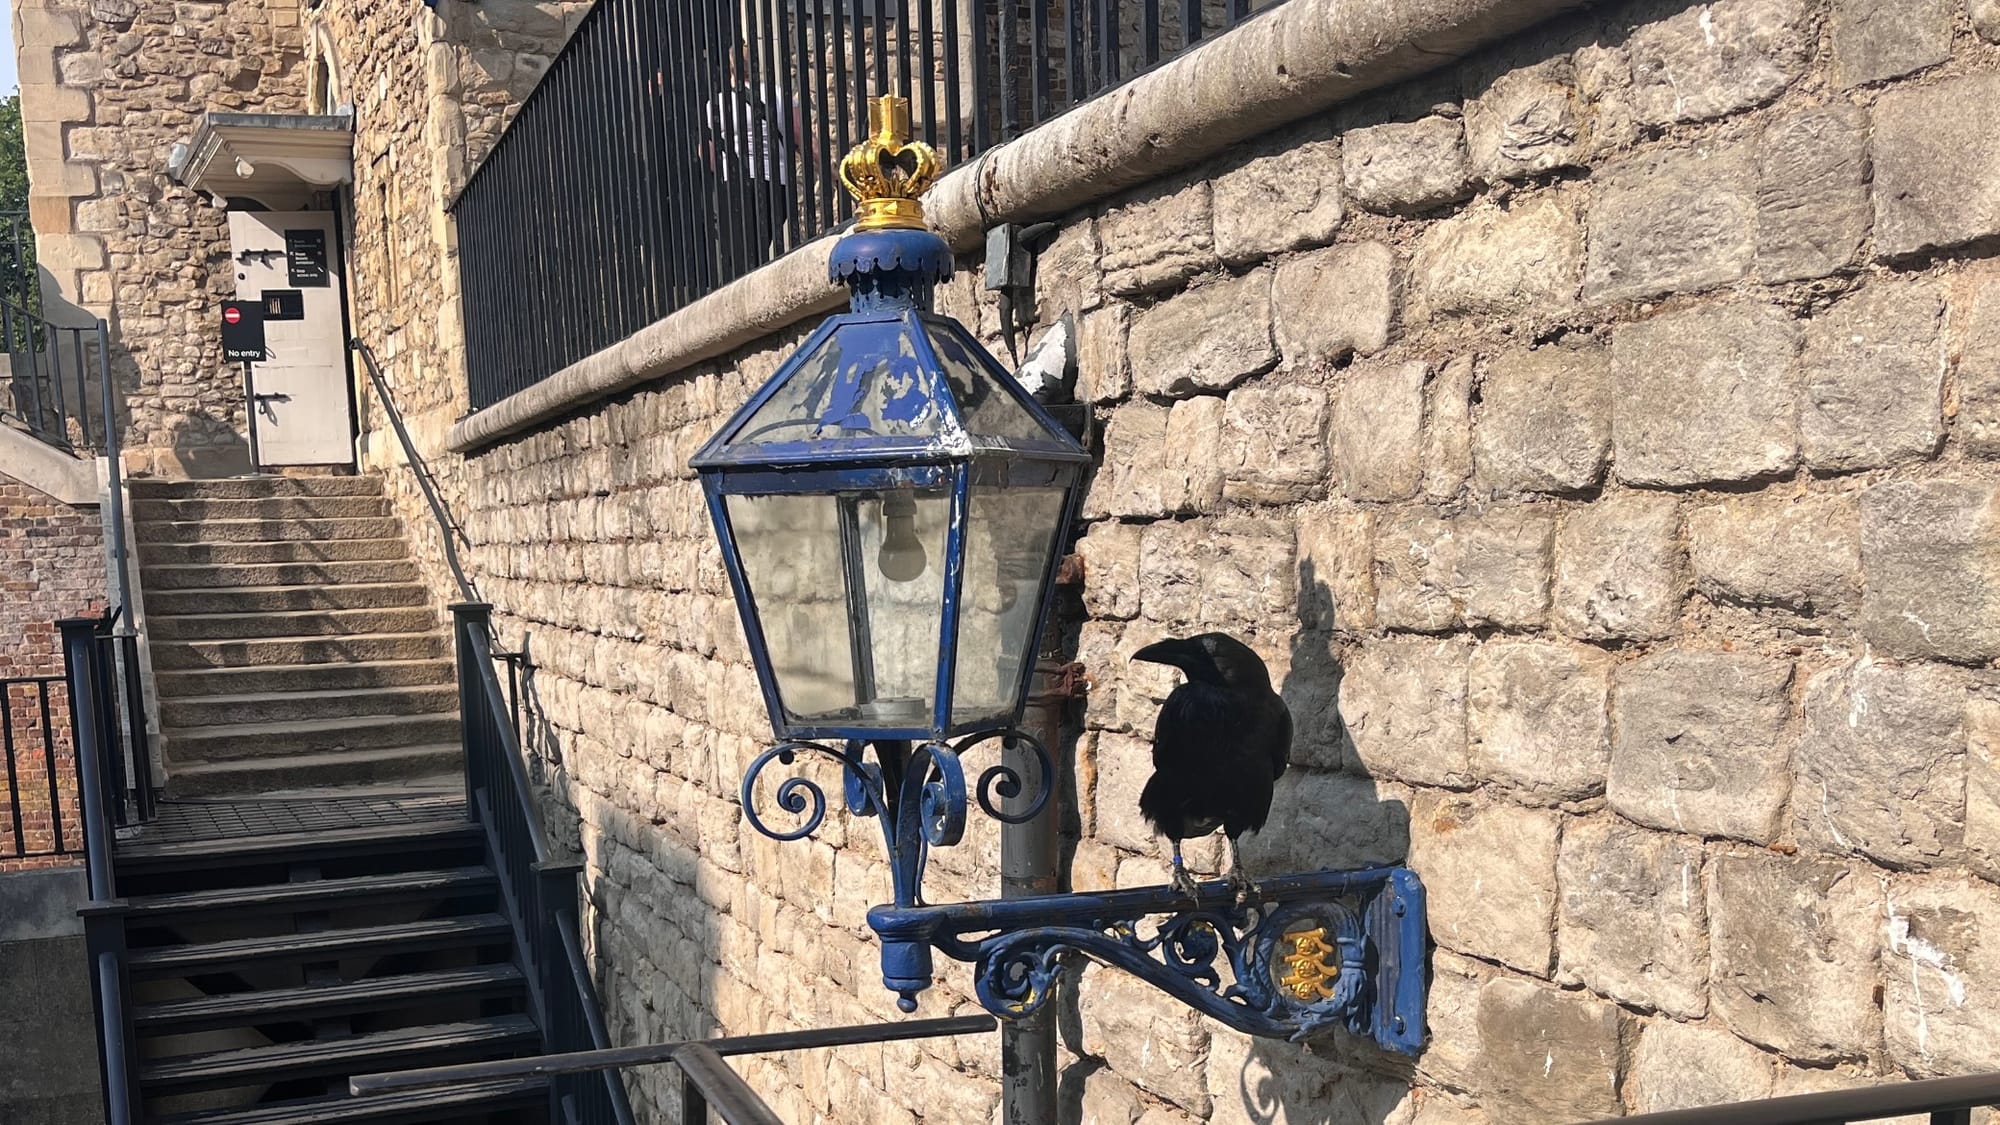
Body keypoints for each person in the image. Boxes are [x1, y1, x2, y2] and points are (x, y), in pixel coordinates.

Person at [704, 45, 807, 264]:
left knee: (738, 251)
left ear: (729, 67)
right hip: (776, 183)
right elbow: (802, 138)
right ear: (757, 65)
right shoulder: (778, 94)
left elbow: (709, 157)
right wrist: (834, 174)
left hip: (734, 181)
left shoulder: (716, 104)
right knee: (763, 243)